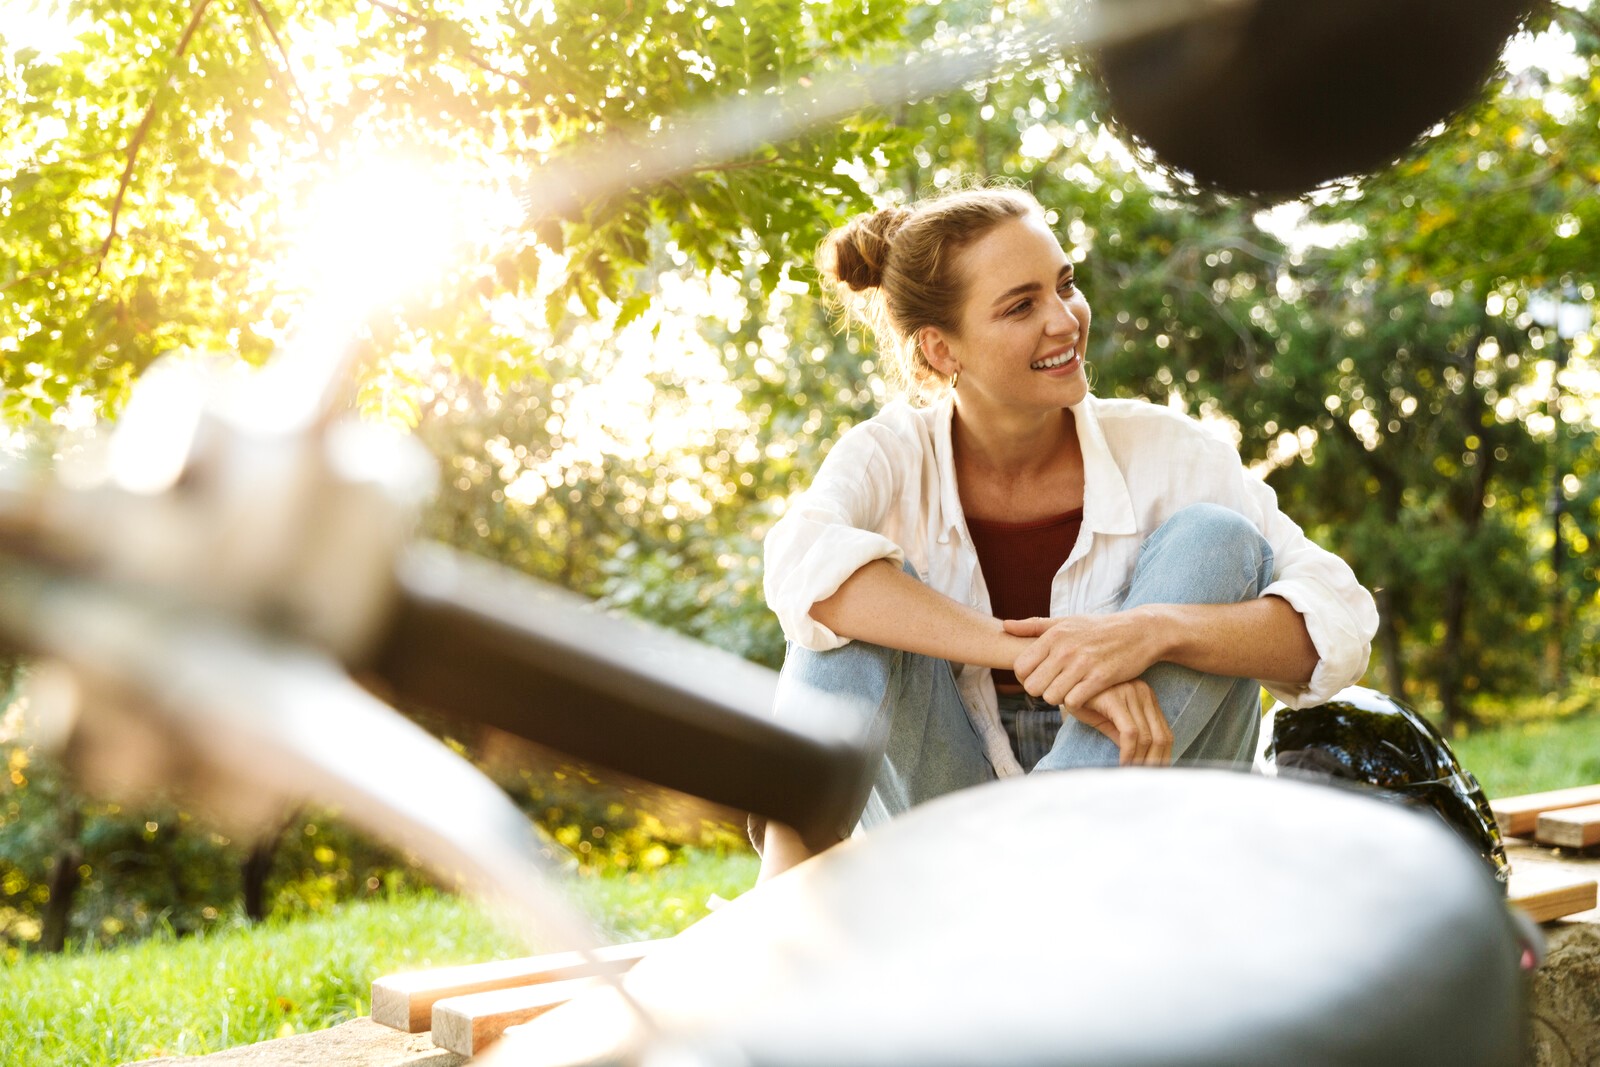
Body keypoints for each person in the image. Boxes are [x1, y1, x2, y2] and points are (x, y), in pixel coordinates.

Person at [758, 184, 1378, 880]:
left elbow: (1341, 619)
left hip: (1141, 816)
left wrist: (1151, 631)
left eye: (1066, 285)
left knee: (1219, 541)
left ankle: (1039, 878)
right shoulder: (889, 456)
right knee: (842, 598)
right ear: (939, 350)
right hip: (952, 814)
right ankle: (783, 905)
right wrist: (1027, 653)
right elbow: (799, 564)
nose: (1065, 320)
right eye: (1021, 306)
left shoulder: (1170, 450)